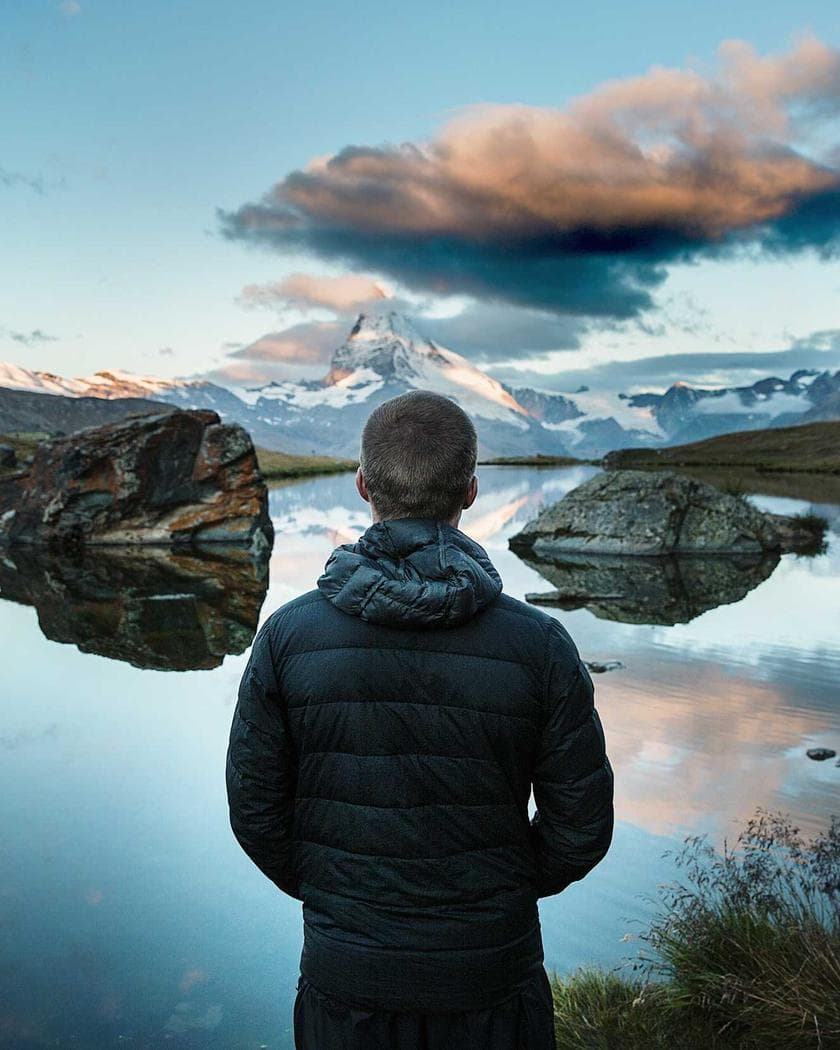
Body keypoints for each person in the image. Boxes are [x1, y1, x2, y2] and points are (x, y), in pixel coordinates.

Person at [226, 389, 614, 1050]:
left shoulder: (288, 637)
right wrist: (502, 888)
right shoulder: (541, 644)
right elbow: (580, 827)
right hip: (492, 977)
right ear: (471, 490)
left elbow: (256, 813)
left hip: (347, 980)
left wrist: (336, 894)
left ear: (362, 485)